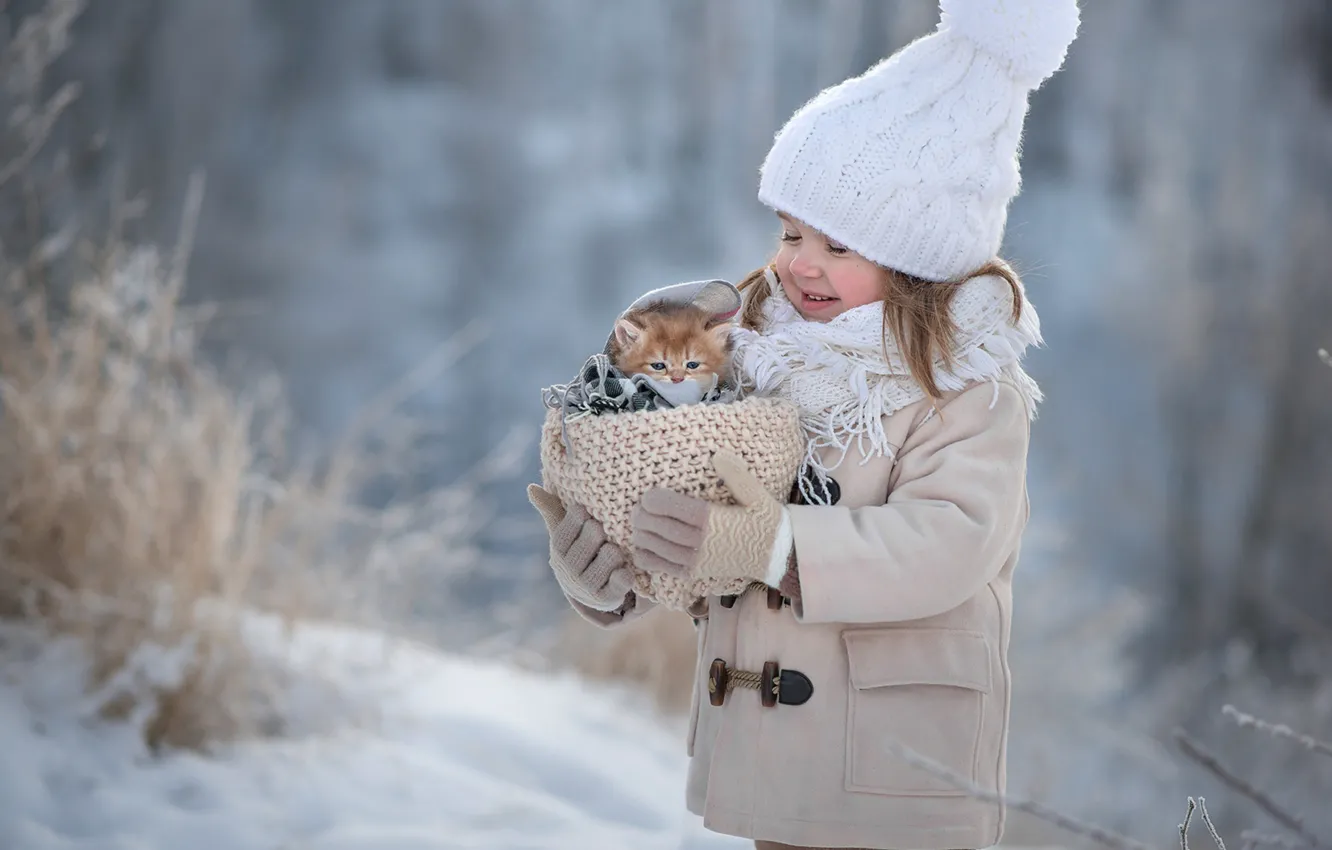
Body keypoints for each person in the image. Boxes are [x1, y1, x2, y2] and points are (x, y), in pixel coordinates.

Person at [527, 0, 1080, 847]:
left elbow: (948, 543)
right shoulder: (753, 356)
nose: (798, 263)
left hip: (896, 777)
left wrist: (770, 545)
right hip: (770, 768)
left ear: (918, 262)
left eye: (840, 246)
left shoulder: (969, 387)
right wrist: (616, 571)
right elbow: (693, 527)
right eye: (790, 232)